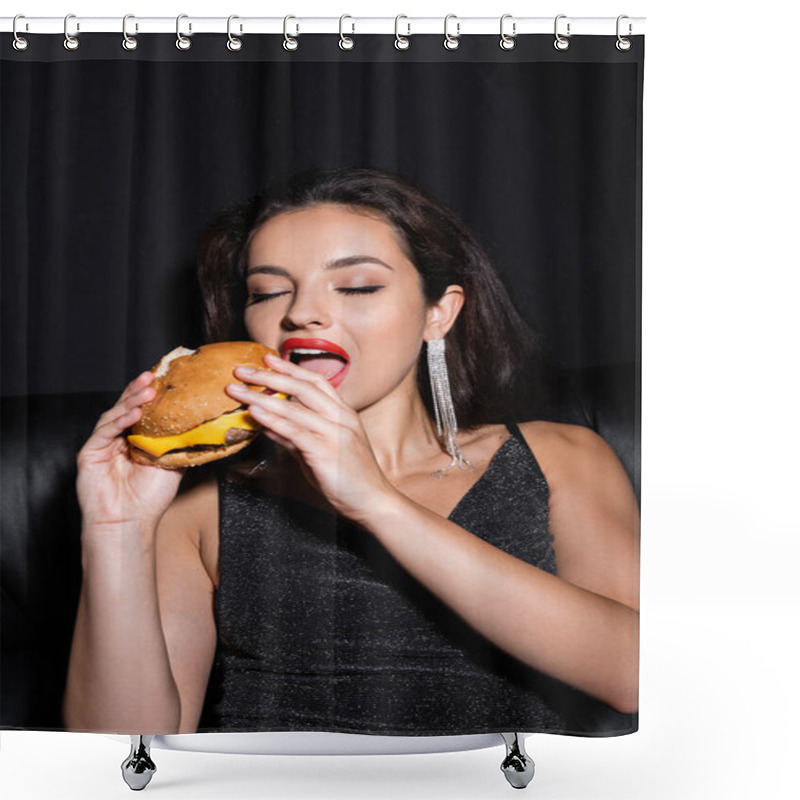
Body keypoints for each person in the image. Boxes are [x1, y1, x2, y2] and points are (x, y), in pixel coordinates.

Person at [63, 166, 639, 737]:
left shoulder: (561, 457)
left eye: (357, 285)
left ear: (439, 312)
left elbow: (640, 679)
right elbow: (121, 758)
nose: (300, 313)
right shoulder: (200, 512)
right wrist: (117, 529)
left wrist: (376, 502)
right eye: (268, 291)